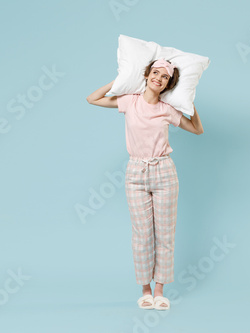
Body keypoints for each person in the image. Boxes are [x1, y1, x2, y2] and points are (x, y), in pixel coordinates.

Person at [86, 58, 204, 310]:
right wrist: (121, 80)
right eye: (155, 73)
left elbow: (197, 130)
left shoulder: (167, 109)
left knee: (165, 234)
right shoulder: (130, 100)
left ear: (167, 85)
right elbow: (92, 99)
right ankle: (145, 290)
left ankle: (160, 290)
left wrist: (189, 100)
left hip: (164, 172)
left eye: (164, 77)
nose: (158, 79)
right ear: (147, 74)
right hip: (135, 172)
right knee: (142, 235)